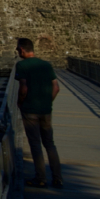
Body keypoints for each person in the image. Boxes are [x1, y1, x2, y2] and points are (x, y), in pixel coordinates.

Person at [15, 37, 63, 189]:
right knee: (50, 144)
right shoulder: (46, 65)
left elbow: (23, 89)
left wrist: (20, 103)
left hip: (30, 111)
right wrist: (48, 102)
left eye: (17, 49)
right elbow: (56, 88)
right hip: (46, 110)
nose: (17, 52)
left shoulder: (21, 65)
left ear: (22, 49)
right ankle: (57, 178)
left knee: (35, 144)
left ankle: (41, 178)